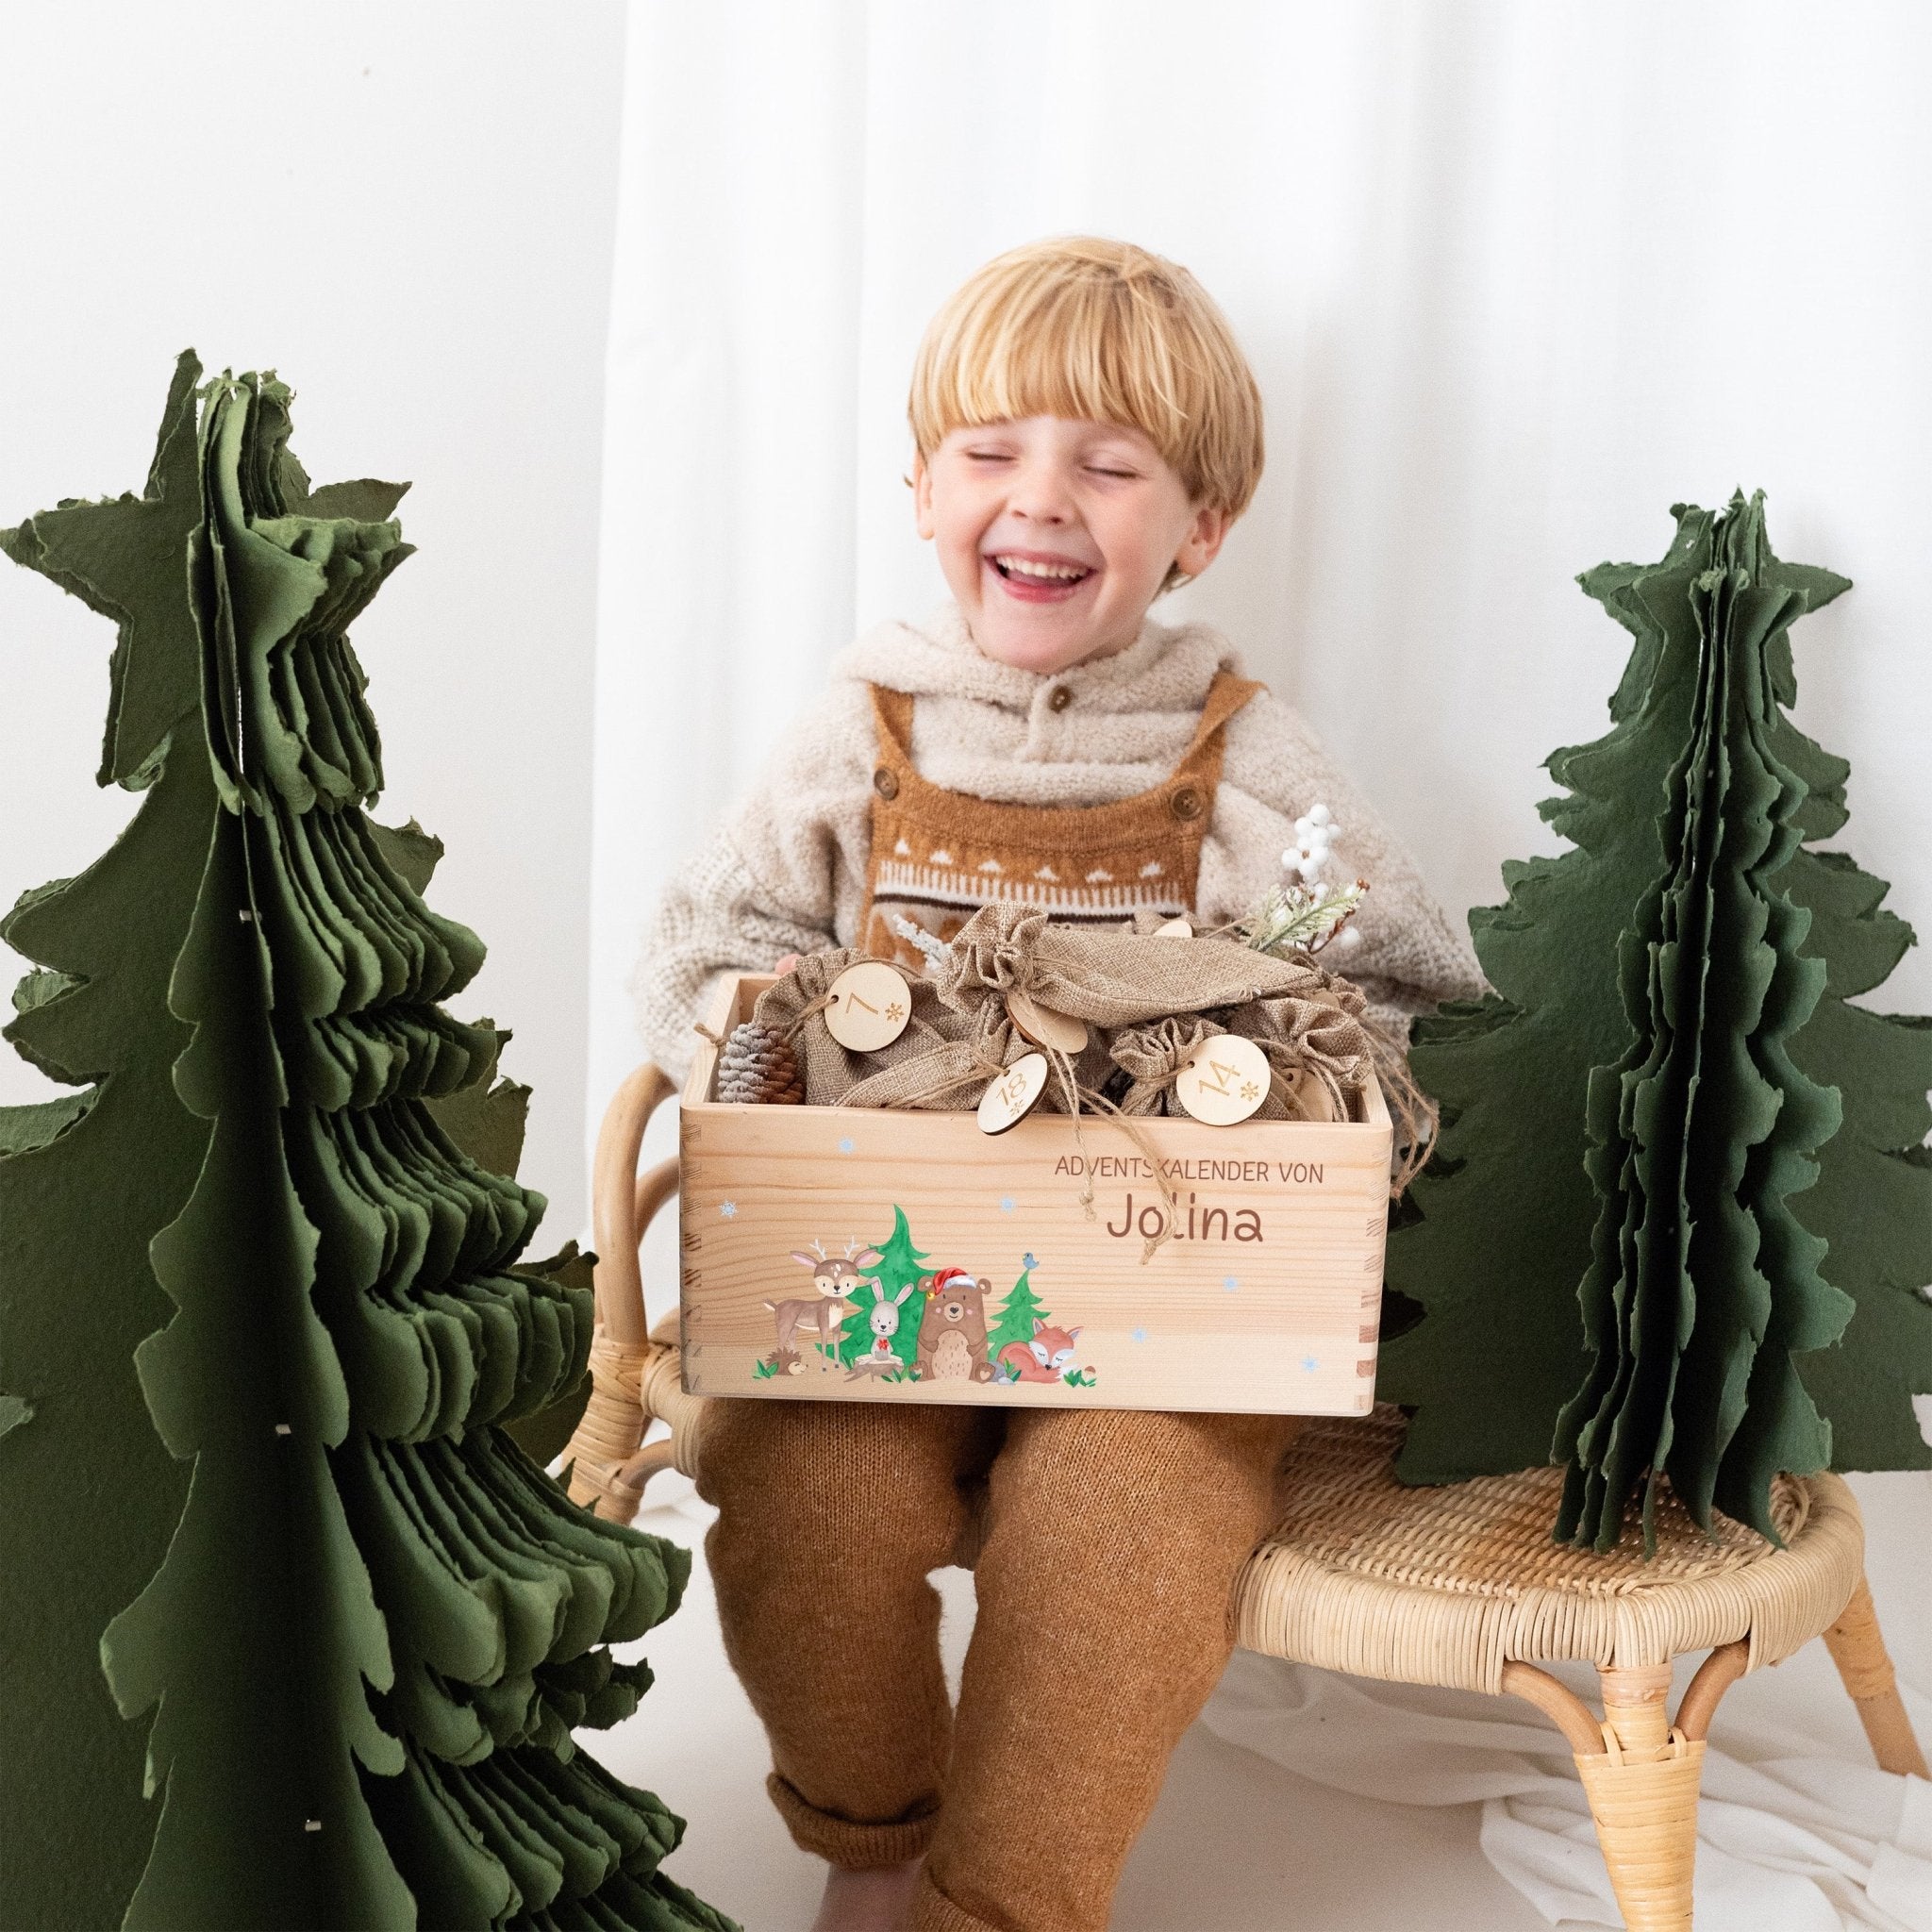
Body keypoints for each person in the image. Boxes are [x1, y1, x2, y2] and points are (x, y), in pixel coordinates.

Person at [634, 236, 1483, 1932]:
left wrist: (1297, 1064)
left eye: (1109, 466)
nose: (1044, 499)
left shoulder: (1244, 758)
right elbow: (701, 943)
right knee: (800, 1491)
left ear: (1199, 527)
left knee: (1121, 1544)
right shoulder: (860, 734)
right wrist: (772, 1029)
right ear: (924, 488)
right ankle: (874, 1843)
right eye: (993, 452)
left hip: (1165, 1297)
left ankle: (1002, 1905)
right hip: (883, 1280)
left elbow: (1394, 979)